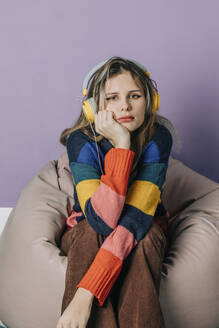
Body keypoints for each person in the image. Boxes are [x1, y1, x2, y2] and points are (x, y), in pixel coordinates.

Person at [57, 56, 180, 328]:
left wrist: (85, 293)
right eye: (112, 97)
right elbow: (101, 221)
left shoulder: (159, 137)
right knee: (90, 231)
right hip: (88, 228)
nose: (125, 105)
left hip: (144, 227)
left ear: (151, 102)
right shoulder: (81, 141)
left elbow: (135, 220)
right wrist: (121, 148)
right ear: (92, 108)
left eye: (134, 95)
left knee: (145, 238)